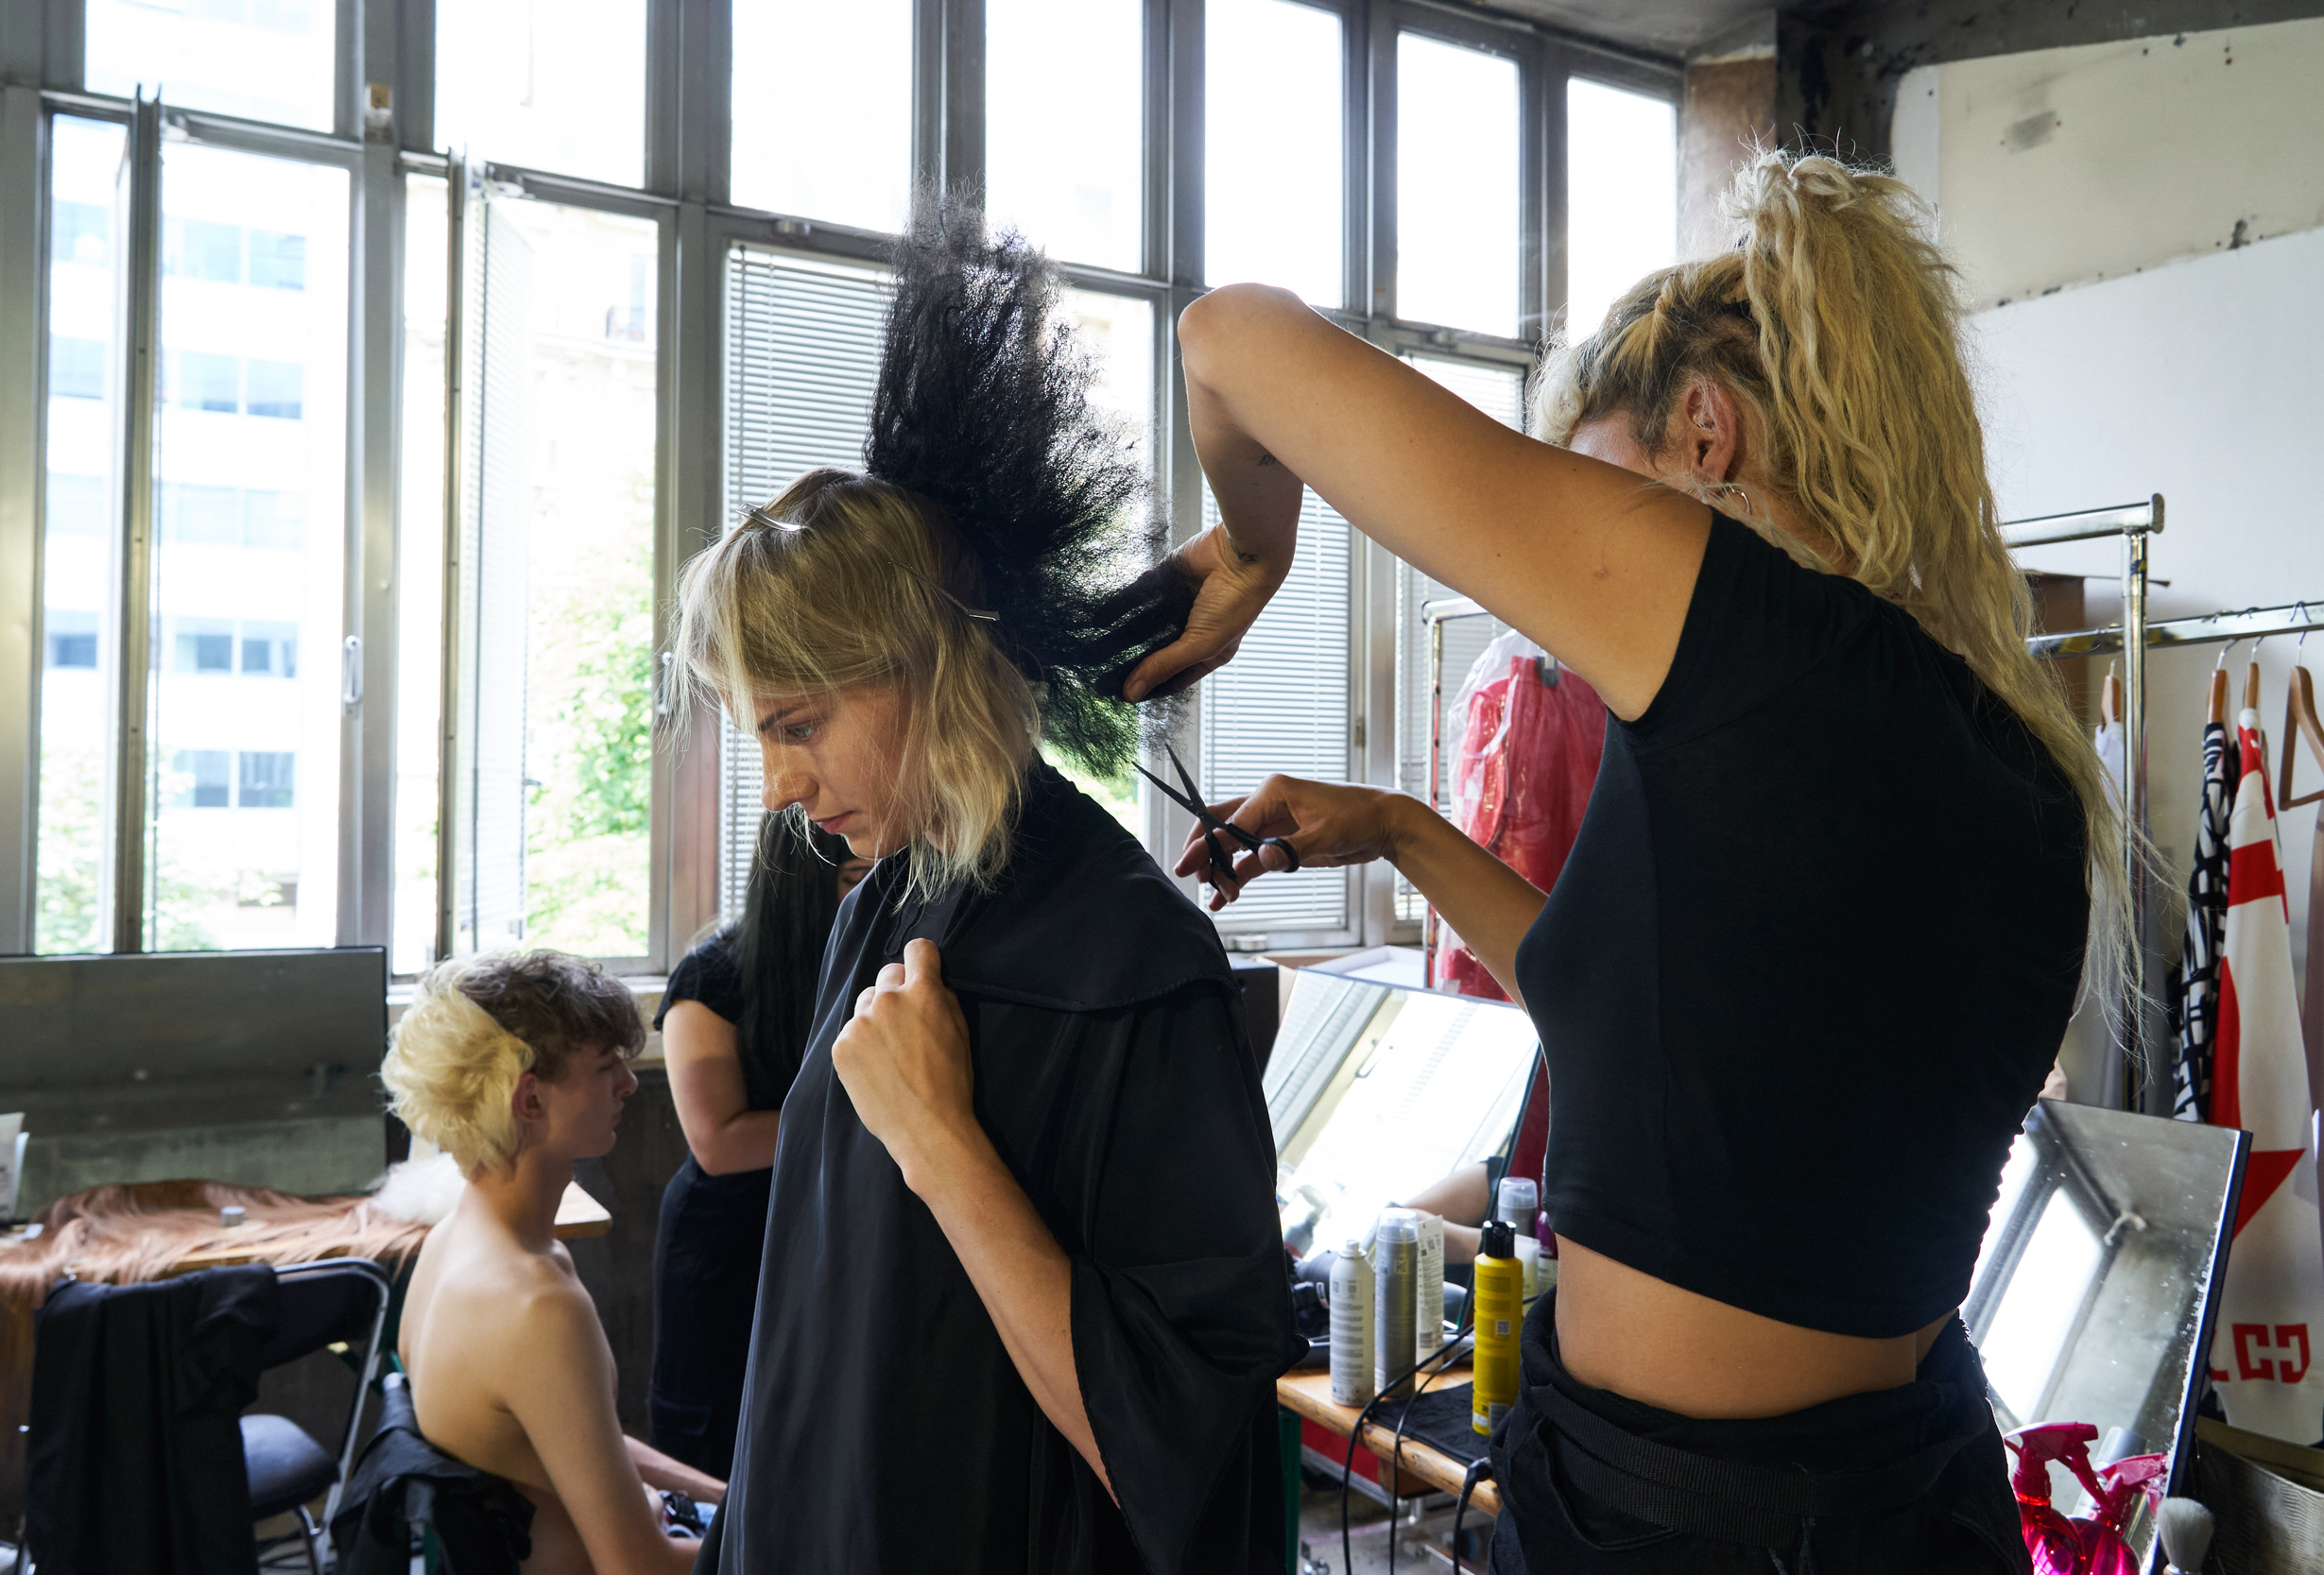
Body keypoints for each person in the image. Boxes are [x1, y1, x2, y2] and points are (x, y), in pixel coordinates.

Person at [1123, 149, 2107, 1570]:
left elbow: (1227, 334)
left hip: (1682, 1522)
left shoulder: (1755, 642)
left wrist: (1255, 558)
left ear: (1705, 433)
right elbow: (1662, 1031)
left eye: (1596, 489)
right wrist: (1401, 827)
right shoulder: (2010, 764)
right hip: (1902, 1495)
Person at [672, 197, 1300, 1575]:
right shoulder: (878, 901)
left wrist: (949, 1151)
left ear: (925, 666)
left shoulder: (1130, 969)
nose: (779, 787)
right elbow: (819, 1348)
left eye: (796, 723)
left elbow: (1184, 1447)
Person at [385, 950, 727, 1575]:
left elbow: (566, 1444)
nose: (628, 1083)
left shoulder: (451, 1243)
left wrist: (730, 1498)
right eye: (604, 1066)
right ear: (529, 1099)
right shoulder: (537, 1305)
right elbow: (640, 1565)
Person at [647, 816, 868, 1477]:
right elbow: (717, 1141)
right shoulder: (709, 978)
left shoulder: (872, 962)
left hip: (831, 1230)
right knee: (717, 1445)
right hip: (728, 1244)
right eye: (854, 879)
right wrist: (874, 1108)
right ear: (800, 884)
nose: (876, 892)